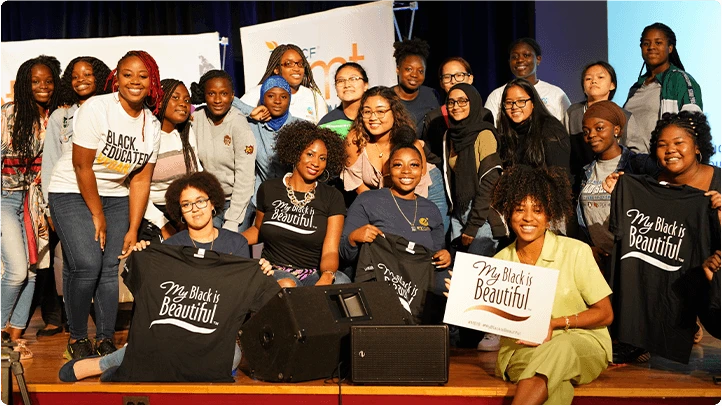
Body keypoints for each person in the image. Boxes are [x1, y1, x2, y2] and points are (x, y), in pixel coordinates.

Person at [57, 171, 276, 382]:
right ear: (179, 211)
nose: (195, 209)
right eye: (186, 205)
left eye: (200, 201)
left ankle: (131, 367)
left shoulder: (235, 243)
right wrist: (145, 255)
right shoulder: (169, 247)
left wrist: (260, 270)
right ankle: (103, 364)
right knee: (160, 342)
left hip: (215, 332)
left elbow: (241, 294)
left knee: (232, 358)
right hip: (174, 329)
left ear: (212, 204)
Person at [448, 165, 614, 405]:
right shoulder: (500, 262)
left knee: (561, 347)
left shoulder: (576, 251)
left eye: (537, 210)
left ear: (549, 215)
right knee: (556, 383)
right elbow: (496, 319)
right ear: (508, 213)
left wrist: (555, 324)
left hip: (581, 343)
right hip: (522, 350)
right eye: (519, 209)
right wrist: (467, 296)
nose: (527, 218)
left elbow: (605, 314)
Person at [47, 50, 163, 360]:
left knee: (110, 267)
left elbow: (140, 181)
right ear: (116, 78)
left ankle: (105, 338)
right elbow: (82, 167)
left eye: (142, 75)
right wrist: (97, 215)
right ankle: (77, 338)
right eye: (127, 74)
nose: (134, 81)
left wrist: (133, 228)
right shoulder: (97, 109)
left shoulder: (151, 125)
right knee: (86, 265)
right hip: (71, 189)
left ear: (152, 80)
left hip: (116, 195)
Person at [603, 111, 720, 364]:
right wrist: (620, 189)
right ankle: (636, 339)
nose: (670, 150)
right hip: (676, 277)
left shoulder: (718, 182)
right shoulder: (649, 186)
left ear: (697, 146)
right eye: (662, 145)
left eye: (679, 143)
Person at [37, 56, 111, 339]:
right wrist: (48, 208)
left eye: (88, 74)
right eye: (75, 75)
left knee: (101, 263)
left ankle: (103, 324)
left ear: (100, 77)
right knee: (69, 261)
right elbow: (51, 163)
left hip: (103, 196)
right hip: (67, 197)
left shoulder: (110, 110)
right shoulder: (60, 116)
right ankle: (73, 325)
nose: (81, 80)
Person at [0, 55, 62, 359]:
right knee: (15, 272)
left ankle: (13, 335)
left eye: (48, 81)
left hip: (33, 201)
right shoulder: (8, 114)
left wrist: (46, 209)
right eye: (35, 81)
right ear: (24, 84)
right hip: (3, 199)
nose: (43, 86)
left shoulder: (55, 118)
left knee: (34, 270)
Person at [242, 121, 351, 287]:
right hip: (274, 270)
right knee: (288, 285)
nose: (316, 163)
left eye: (322, 158)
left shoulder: (332, 197)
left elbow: (330, 250)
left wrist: (327, 276)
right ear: (296, 153)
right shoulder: (269, 189)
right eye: (310, 154)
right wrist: (228, 240)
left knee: (342, 283)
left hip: (312, 273)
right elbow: (258, 229)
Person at [344, 86, 447, 226]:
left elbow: (416, 194)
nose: (373, 118)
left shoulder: (409, 143)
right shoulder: (355, 140)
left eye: (381, 111)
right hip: (382, 197)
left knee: (428, 237)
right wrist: (384, 211)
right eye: (367, 111)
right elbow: (359, 187)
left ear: (394, 113)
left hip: (425, 189)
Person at [340, 142, 450, 271]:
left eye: (414, 165)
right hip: (381, 279)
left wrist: (444, 257)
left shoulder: (431, 209)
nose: (406, 171)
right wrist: (353, 238)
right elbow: (344, 254)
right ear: (389, 170)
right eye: (398, 165)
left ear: (422, 171)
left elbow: (437, 254)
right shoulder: (367, 200)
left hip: (420, 279)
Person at [576, 101, 653, 278]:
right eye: (586, 131)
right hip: (599, 262)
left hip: (630, 259)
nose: (592, 135)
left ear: (616, 130)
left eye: (599, 128)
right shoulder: (586, 171)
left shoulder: (638, 165)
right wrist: (589, 248)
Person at [191, 69, 255, 233]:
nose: (218, 100)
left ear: (233, 96)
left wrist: (233, 219)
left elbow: (245, 177)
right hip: (207, 201)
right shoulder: (197, 118)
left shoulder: (239, 124)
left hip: (236, 201)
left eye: (224, 93)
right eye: (211, 93)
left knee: (231, 252)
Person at [564, 61, 644, 192]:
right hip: (581, 183)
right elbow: (566, 150)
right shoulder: (573, 113)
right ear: (583, 87)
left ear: (612, 85)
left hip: (615, 183)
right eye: (588, 78)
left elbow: (637, 153)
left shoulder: (625, 116)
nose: (593, 81)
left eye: (600, 77)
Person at [623, 23, 703, 153]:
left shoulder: (679, 79)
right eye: (646, 44)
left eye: (658, 43)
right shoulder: (635, 87)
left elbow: (694, 125)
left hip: (662, 164)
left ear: (670, 48)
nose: (651, 47)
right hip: (632, 165)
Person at [141, 79, 202, 241]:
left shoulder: (187, 133)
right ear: (159, 102)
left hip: (184, 209)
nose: (183, 103)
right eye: (175, 97)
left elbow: (197, 174)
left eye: (187, 100)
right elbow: (137, 190)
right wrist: (163, 223)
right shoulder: (146, 136)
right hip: (152, 213)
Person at [243, 75, 298, 230]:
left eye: (283, 96)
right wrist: (250, 112)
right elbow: (224, 101)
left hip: (289, 201)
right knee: (236, 240)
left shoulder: (301, 127)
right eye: (271, 96)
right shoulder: (251, 125)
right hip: (256, 198)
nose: (277, 101)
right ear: (262, 98)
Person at [233, 44, 328, 124]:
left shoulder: (314, 97)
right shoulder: (257, 93)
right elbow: (232, 109)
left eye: (300, 64)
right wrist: (250, 111)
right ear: (276, 69)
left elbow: (324, 131)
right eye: (288, 64)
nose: (296, 68)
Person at [496, 78, 571, 177]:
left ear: (533, 103)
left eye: (521, 101)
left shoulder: (551, 129)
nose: (514, 107)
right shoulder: (505, 133)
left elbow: (560, 176)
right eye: (509, 102)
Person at [485, 38, 571, 124]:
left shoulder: (556, 94)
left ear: (538, 59)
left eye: (526, 55)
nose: (520, 60)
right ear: (509, 62)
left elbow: (568, 127)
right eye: (514, 57)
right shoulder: (497, 95)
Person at [421, 56, 478, 163]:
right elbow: (430, 155)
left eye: (459, 75)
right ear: (441, 83)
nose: (453, 81)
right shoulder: (434, 118)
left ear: (470, 79)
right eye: (447, 77)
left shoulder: (483, 114)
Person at [391, 38, 440, 135]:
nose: (414, 75)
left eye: (420, 71)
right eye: (409, 69)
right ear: (398, 69)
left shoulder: (431, 95)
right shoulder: (387, 97)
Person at [318, 62, 369, 139]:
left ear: (365, 85)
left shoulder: (376, 118)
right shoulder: (327, 124)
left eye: (353, 79)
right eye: (341, 81)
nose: (347, 85)